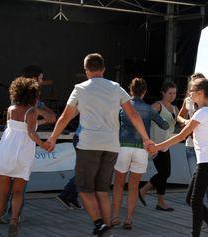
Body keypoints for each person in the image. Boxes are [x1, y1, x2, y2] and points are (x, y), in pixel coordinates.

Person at [46, 53, 153, 237]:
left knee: (84, 188)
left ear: (86, 70)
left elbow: (65, 116)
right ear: (103, 69)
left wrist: (53, 138)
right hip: (111, 145)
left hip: (88, 144)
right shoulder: (116, 87)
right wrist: (146, 139)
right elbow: (133, 115)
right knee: (102, 190)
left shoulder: (80, 88)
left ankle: (99, 224)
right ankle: (107, 231)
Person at [148, 78, 208, 237]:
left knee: (195, 200)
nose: (189, 94)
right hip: (207, 161)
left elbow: (182, 135)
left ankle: (199, 233)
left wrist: (157, 146)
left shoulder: (202, 113)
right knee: (191, 199)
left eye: (191, 91)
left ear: (200, 93)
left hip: (206, 161)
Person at [112, 78, 169, 229]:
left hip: (123, 147)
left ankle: (115, 216)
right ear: (144, 92)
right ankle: (129, 219)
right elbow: (164, 125)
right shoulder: (149, 109)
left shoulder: (122, 107)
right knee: (133, 186)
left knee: (118, 185)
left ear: (130, 90)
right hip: (141, 150)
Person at [0, 77, 50, 236]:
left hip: (6, 150)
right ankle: (14, 220)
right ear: (33, 94)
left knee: (2, 192)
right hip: (23, 152)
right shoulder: (32, 111)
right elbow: (30, 131)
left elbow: (13, 128)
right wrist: (43, 145)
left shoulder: (10, 109)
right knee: (18, 191)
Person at [177, 73, 208, 221]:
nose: (190, 91)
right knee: (196, 190)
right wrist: (187, 122)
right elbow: (179, 116)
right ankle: (203, 219)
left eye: (193, 87)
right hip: (192, 147)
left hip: (207, 152)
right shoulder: (188, 101)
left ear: (200, 90)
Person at [139, 81, 178, 211]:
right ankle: (153, 197)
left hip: (166, 145)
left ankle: (149, 194)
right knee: (164, 173)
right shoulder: (157, 106)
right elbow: (144, 119)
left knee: (165, 173)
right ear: (163, 93)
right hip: (155, 145)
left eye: (174, 93)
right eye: (170, 93)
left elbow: (176, 126)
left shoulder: (175, 109)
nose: (172, 96)